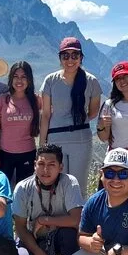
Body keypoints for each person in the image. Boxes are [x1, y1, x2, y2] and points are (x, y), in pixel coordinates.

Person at [12, 144, 82, 255]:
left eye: (51, 165)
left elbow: (76, 219)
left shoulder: (69, 183)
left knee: (69, 234)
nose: (45, 170)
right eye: (41, 164)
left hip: (58, 236)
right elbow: (20, 227)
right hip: (34, 236)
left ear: (60, 167)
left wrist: (44, 220)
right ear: (34, 164)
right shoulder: (22, 188)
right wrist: (39, 254)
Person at [39, 37, 101, 198]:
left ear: (81, 57)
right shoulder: (50, 81)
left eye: (75, 55)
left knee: (78, 188)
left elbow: (93, 112)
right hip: (55, 141)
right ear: (60, 58)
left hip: (81, 141)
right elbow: (45, 115)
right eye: (65, 56)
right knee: (55, 187)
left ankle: (78, 215)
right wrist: (42, 146)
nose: (70, 60)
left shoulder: (91, 82)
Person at [0, 61, 41, 186]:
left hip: (28, 153)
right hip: (4, 154)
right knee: (2, 190)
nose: (19, 80)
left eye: (24, 77)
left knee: (24, 191)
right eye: (16, 76)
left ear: (29, 79)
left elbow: (49, 118)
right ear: (10, 79)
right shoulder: (2, 99)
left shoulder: (36, 100)